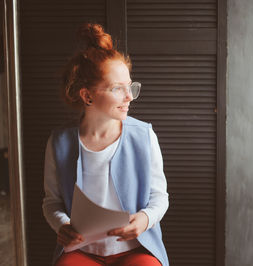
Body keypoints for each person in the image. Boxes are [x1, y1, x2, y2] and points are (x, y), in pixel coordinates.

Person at [42, 23, 169, 266]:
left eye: (130, 86)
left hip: (137, 248)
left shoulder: (144, 136)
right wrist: (62, 225)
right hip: (82, 251)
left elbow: (159, 197)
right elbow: (51, 202)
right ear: (87, 96)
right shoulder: (59, 142)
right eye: (117, 89)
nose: (129, 96)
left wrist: (144, 219)